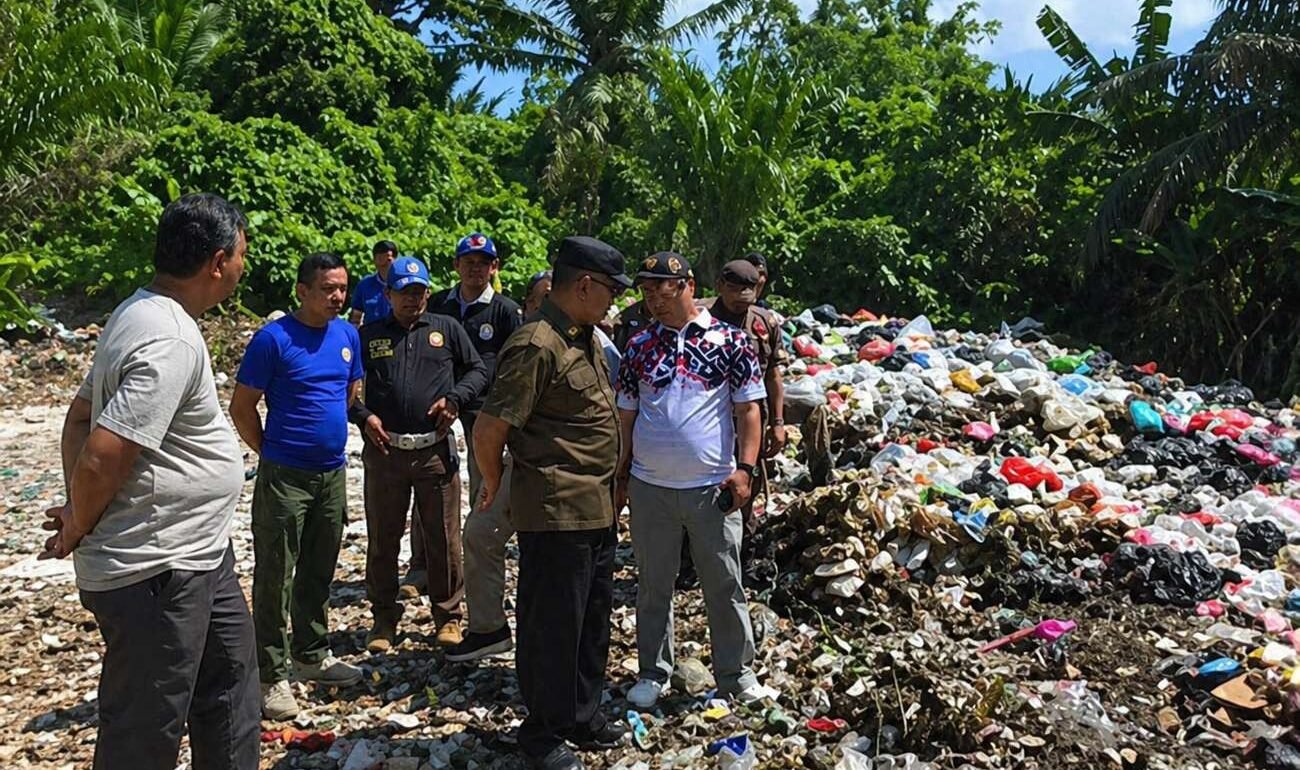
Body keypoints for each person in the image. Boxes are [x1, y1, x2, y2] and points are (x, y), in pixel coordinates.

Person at [42, 192, 259, 769]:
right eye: (241, 255)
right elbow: (102, 452)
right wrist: (77, 524)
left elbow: (80, 418)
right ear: (217, 262)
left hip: (201, 554)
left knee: (231, 690)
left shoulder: (139, 312)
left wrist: (73, 510)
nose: (243, 267)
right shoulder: (167, 338)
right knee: (146, 727)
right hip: (157, 568)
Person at [473, 237, 631, 770]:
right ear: (583, 284)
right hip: (556, 507)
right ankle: (541, 732)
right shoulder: (537, 343)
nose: (614, 300)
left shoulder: (583, 337)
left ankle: (580, 715)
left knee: (590, 619)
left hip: (597, 505)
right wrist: (495, 486)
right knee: (552, 625)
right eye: (610, 289)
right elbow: (491, 428)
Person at [614, 252, 772, 709]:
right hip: (650, 487)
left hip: (712, 487)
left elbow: (748, 411)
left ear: (685, 285)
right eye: (645, 292)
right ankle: (653, 672)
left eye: (659, 290)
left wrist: (744, 470)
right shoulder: (639, 345)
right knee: (654, 583)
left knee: (723, 581)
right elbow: (627, 415)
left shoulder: (730, 342)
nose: (652, 301)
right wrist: (621, 474)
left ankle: (736, 673)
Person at [230, 252, 365, 720]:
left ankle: (312, 653)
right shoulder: (273, 339)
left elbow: (349, 393)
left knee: (319, 566)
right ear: (302, 291)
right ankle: (271, 674)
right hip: (285, 476)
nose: (337, 297)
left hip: (332, 472)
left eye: (343, 288)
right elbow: (242, 406)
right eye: (328, 289)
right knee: (275, 574)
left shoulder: (348, 334)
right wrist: (269, 449)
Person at [349, 256, 488, 652]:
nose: (413, 300)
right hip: (385, 450)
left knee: (443, 537)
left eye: (419, 292)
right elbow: (344, 385)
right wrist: (362, 416)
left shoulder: (447, 329)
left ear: (428, 292)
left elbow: (478, 371)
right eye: (404, 293)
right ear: (388, 294)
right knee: (383, 537)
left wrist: (455, 400)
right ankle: (383, 618)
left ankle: (447, 617)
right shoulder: (368, 335)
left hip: (433, 452)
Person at [424, 233, 526, 660]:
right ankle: (433, 577)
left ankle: (483, 587)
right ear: (456, 265)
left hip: (488, 418)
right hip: (441, 410)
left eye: (483, 262)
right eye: (468, 261)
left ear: (494, 268)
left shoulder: (504, 311)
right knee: (437, 491)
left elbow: (515, 364)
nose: (475, 268)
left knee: (483, 498)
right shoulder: (441, 307)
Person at [700, 259, 789, 554]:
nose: (741, 306)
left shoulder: (764, 323)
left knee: (746, 484)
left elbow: (774, 375)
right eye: (735, 298)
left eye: (747, 299)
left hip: (751, 422)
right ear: (720, 287)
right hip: (708, 421)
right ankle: (693, 557)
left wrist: (777, 423)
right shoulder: (700, 320)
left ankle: (741, 551)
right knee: (701, 491)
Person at [520, 269, 620, 385]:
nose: (612, 302)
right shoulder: (534, 346)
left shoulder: (597, 342)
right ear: (584, 287)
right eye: (612, 291)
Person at [350, 240, 397, 325]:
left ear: (395, 260)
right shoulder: (364, 285)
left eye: (389, 260)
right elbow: (356, 317)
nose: (385, 264)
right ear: (374, 261)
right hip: (371, 334)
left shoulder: (403, 284)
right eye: (381, 260)